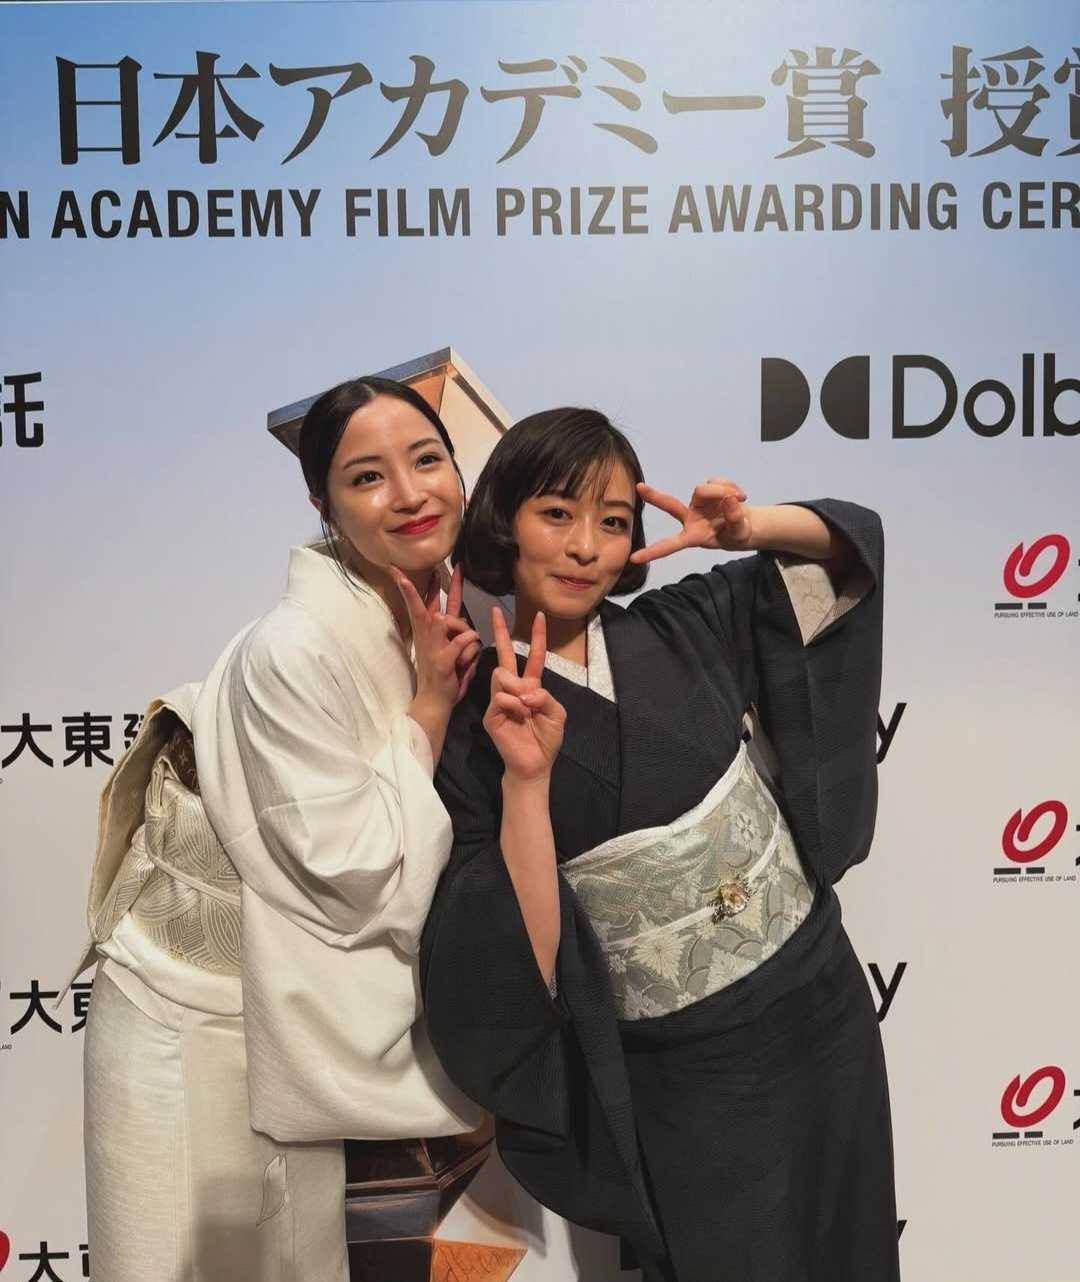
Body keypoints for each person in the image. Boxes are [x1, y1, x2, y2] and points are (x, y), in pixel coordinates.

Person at [421, 407, 899, 1282]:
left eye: (612, 521)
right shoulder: (478, 721)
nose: (585, 547)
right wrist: (525, 779)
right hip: (683, 1069)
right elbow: (515, 951)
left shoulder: (689, 620)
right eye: (556, 513)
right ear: (504, 521)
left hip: (817, 1005)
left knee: (853, 1250)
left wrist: (750, 529)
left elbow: (849, 548)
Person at [76, 376, 483, 1282]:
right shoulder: (293, 646)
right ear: (323, 506)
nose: (409, 494)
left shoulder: (439, 607)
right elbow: (353, 870)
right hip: (187, 1006)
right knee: (180, 1261)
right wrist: (426, 712)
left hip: (284, 1018)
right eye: (367, 477)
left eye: (427, 460)